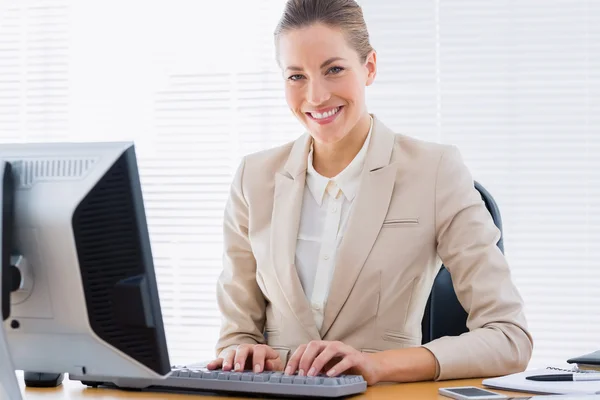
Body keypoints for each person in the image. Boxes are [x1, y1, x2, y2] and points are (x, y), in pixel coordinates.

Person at [207, 0, 533, 385]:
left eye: (334, 70)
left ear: (370, 67)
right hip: (277, 394)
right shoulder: (254, 178)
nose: (315, 97)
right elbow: (235, 335)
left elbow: (510, 338)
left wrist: (378, 365)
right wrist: (241, 352)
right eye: (296, 76)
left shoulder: (434, 171)